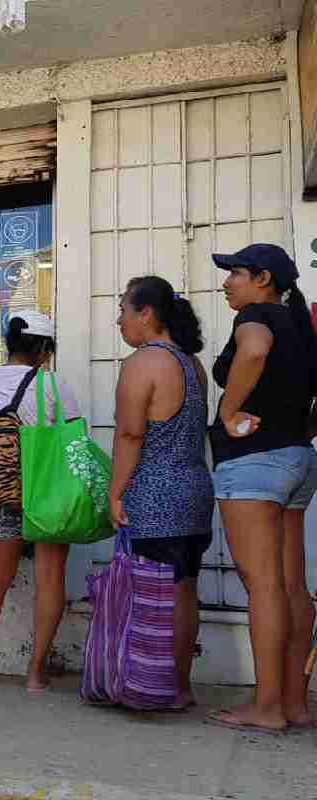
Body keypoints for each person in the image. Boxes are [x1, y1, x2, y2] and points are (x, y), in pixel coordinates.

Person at [204, 244, 317, 734]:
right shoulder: (301, 327)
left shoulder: (257, 316)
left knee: (264, 585)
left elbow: (253, 350)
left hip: (254, 463)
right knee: (293, 586)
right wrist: (302, 429)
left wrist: (228, 413)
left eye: (234, 273)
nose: (227, 282)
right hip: (296, 458)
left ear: (263, 277)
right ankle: (294, 703)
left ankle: (267, 706)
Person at [109, 276, 214, 710]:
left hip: (154, 494)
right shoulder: (193, 364)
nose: (119, 320)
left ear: (146, 313)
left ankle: (152, 687)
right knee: (184, 588)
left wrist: (115, 493)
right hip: (193, 490)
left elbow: (131, 434)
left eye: (123, 310)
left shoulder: (142, 363)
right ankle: (180, 687)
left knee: (151, 592)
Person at [0, 311, 80, 692]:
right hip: (46, 493)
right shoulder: (52, 385)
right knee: (50, 578)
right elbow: (72, 441)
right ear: (44, 349)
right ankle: (34, 674)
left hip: (2, 493)